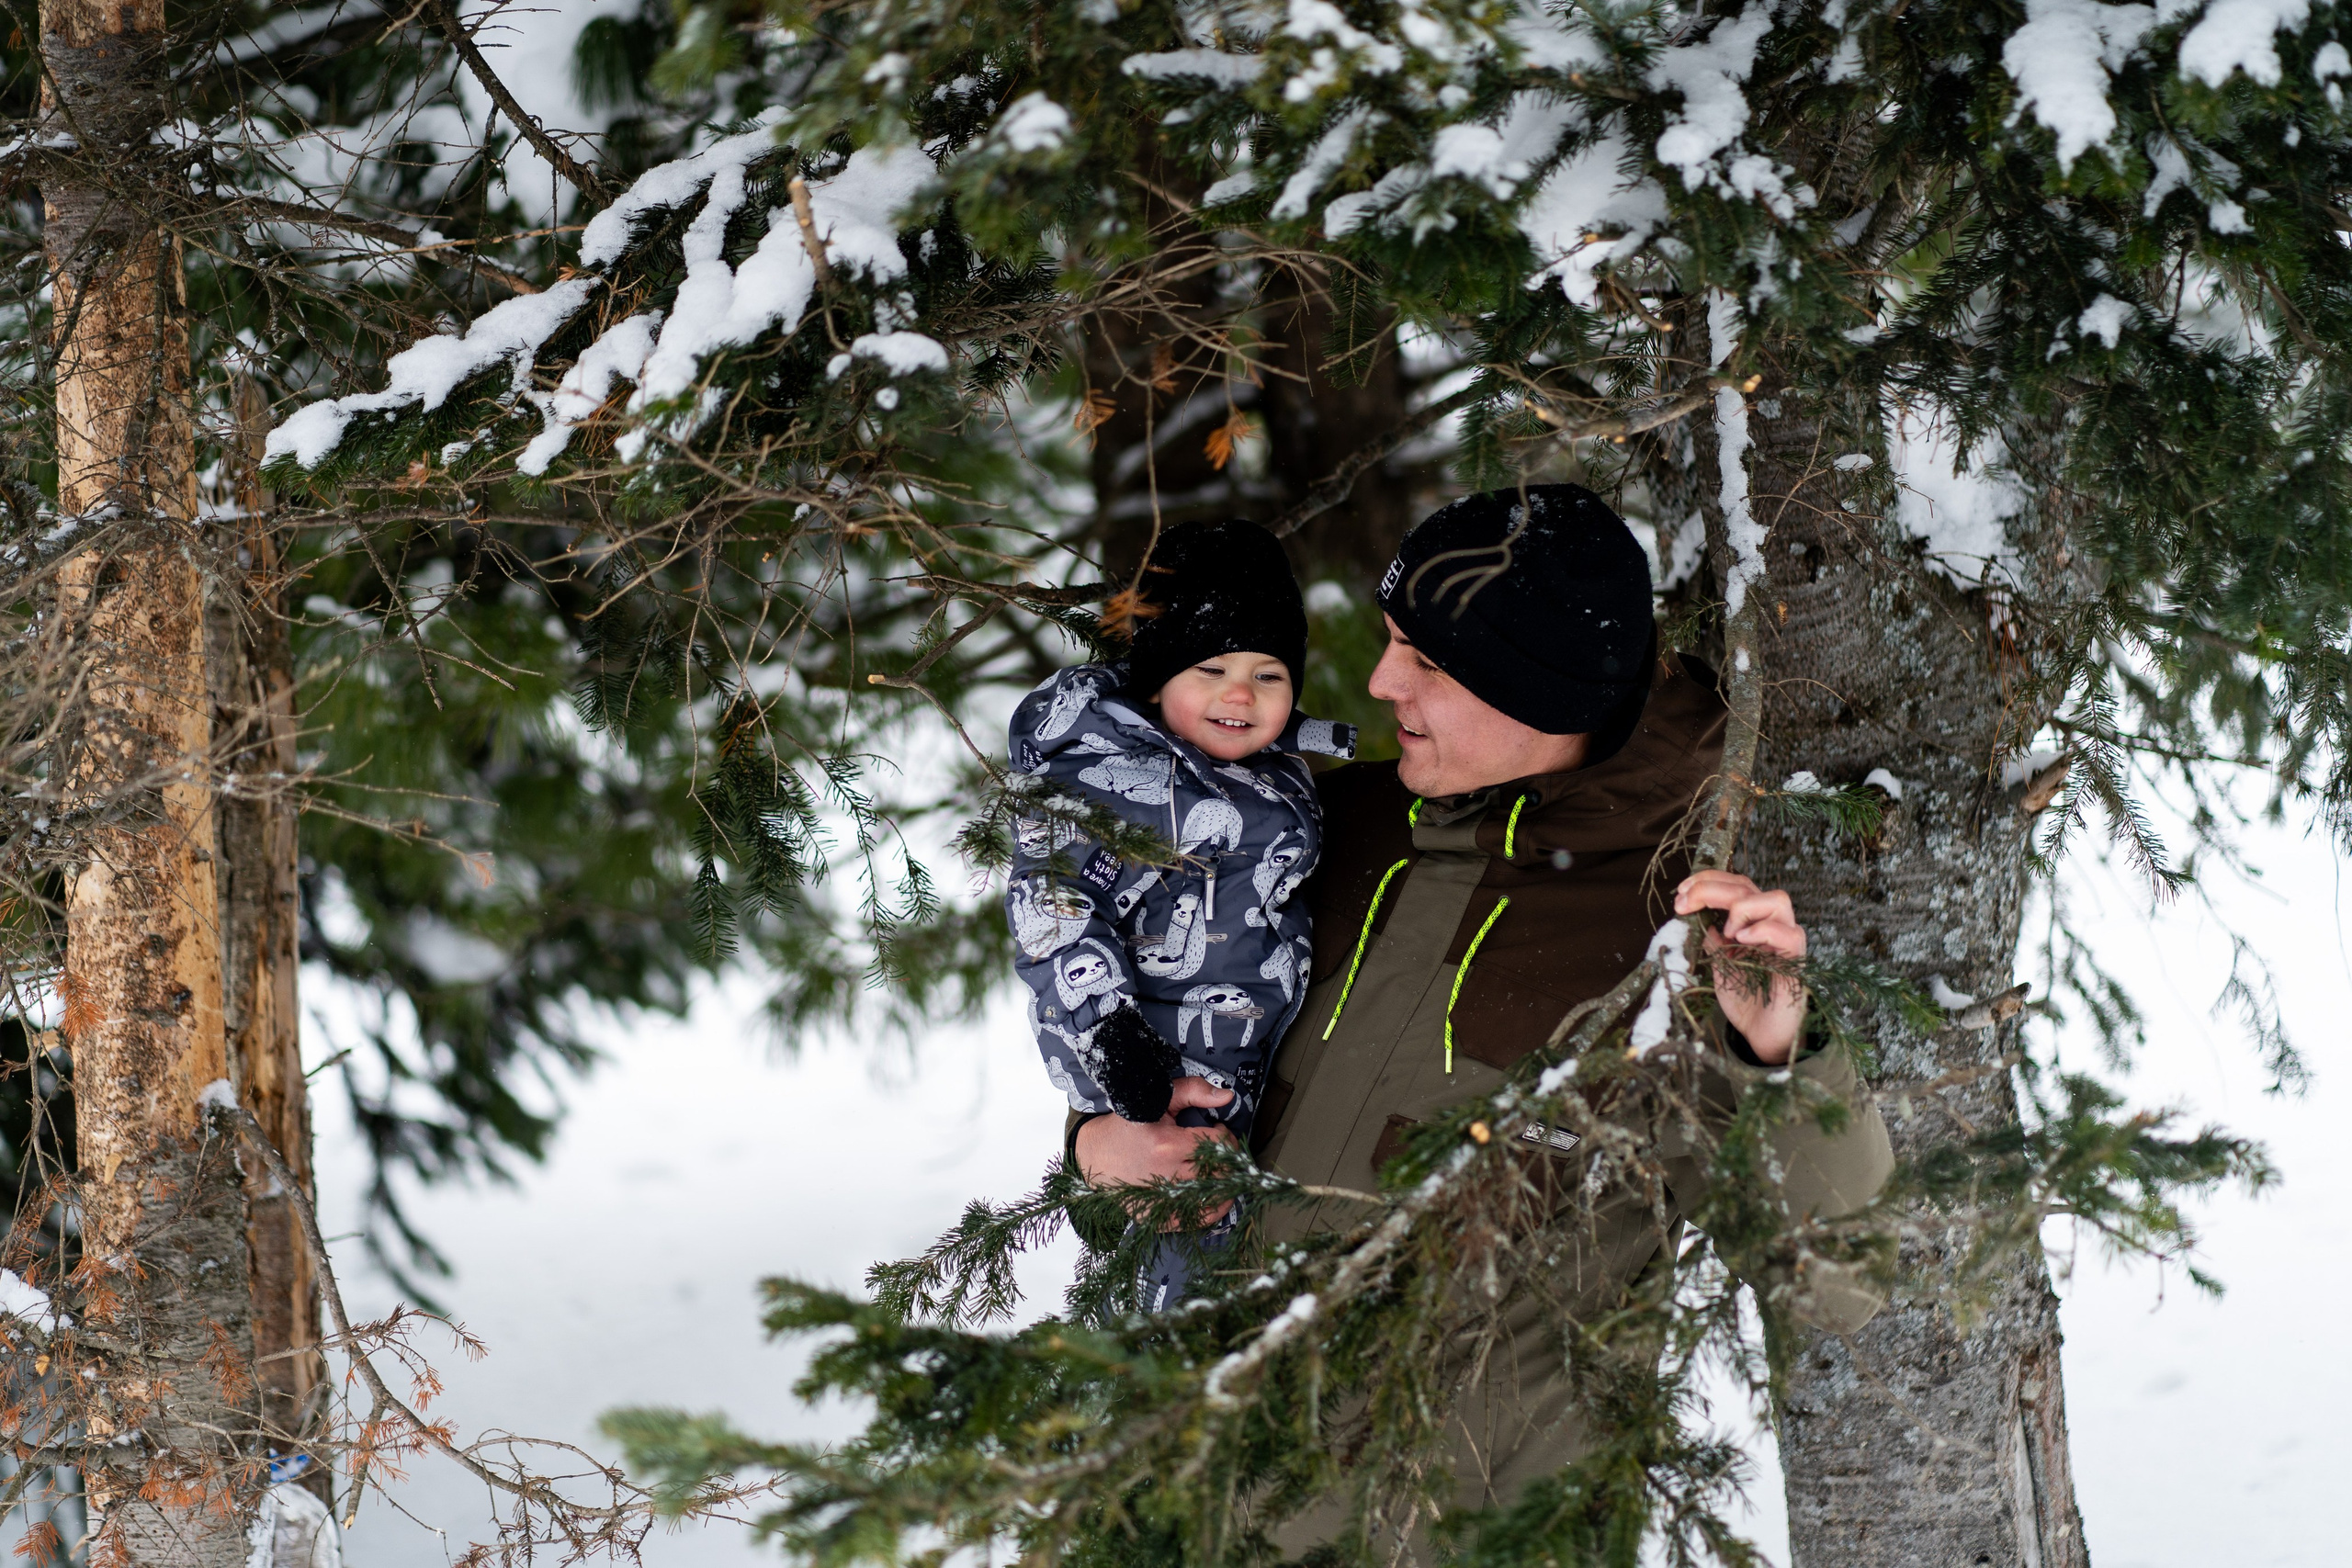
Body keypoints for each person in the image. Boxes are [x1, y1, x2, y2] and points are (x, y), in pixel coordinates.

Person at [1069, 484, 1895, 1523]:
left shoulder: (1675, 933)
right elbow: (1162, 1059)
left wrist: (1778, 1051)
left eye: (1426, 661)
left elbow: (1835, 1283)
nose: (1381, 682)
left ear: (1541, 695)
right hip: (1186, 1503)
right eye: (1389, 642)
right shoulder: (1307, 830)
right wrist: (1099, 1147)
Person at [1006, 519, 1354, 1308]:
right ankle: (1165, 1361)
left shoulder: (1272, 769)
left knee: (1243, 1252)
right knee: (1184, 1254)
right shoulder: (1115, 783)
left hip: (1244, 1065)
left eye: (1269, 674)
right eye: (1212, 668)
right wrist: (1112, 1036)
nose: (1242, 693)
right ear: (1158, 679)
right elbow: (1054, 907)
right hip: (1162, 1076)